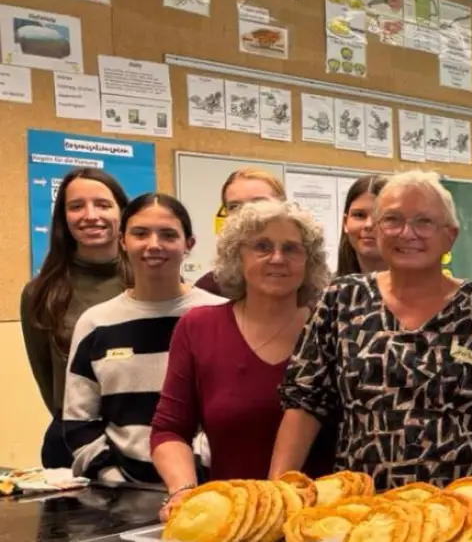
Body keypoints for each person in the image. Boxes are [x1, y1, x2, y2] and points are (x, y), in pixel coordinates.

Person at [273, 170, 472, 489]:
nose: (408, 233)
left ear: (450, 235)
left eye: (424, 221)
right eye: (393, 220)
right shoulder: (342, 300)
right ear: (378, 231)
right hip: (368, 507)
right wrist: (278, 490)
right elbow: (305, 403)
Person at [152, 201, 336, 516]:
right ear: (237, 255)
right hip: (232, 518)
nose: (277, 258)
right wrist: (183, 490)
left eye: (291, 249)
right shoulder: (199, 328)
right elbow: (170, 430)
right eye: (262, 247)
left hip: (322, 522)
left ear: (309, 261)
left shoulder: (332, 328)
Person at [63, 194, 227, 487]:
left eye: (168, 235)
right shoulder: (95, 323)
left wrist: (192, 477)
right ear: (123, 240)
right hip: (121, 496)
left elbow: (232, 412)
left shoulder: (221, 316)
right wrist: (113, 479)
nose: (154, 245)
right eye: (140, 233)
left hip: (206, 489)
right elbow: (79, 422)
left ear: (188, 244)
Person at [21, 168, 130, 469]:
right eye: (76, 206)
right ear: (63, 218)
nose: (90, 215)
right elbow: (49, 380)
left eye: (103, 204)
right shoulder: (41, 292)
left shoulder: (152, 281)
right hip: (70, 444)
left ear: (122, 213)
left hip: (145, 440)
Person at [194, 167, 286, 294]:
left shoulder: (304, 275)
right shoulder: (211, 286)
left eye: (259, 203)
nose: (246, 214)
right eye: (235, 207)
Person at [336, 174, 388, 276]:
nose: (368, 225)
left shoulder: (421, 288)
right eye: (359, 215)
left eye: (379, 216)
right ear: (345, 223)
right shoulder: (333, 289)